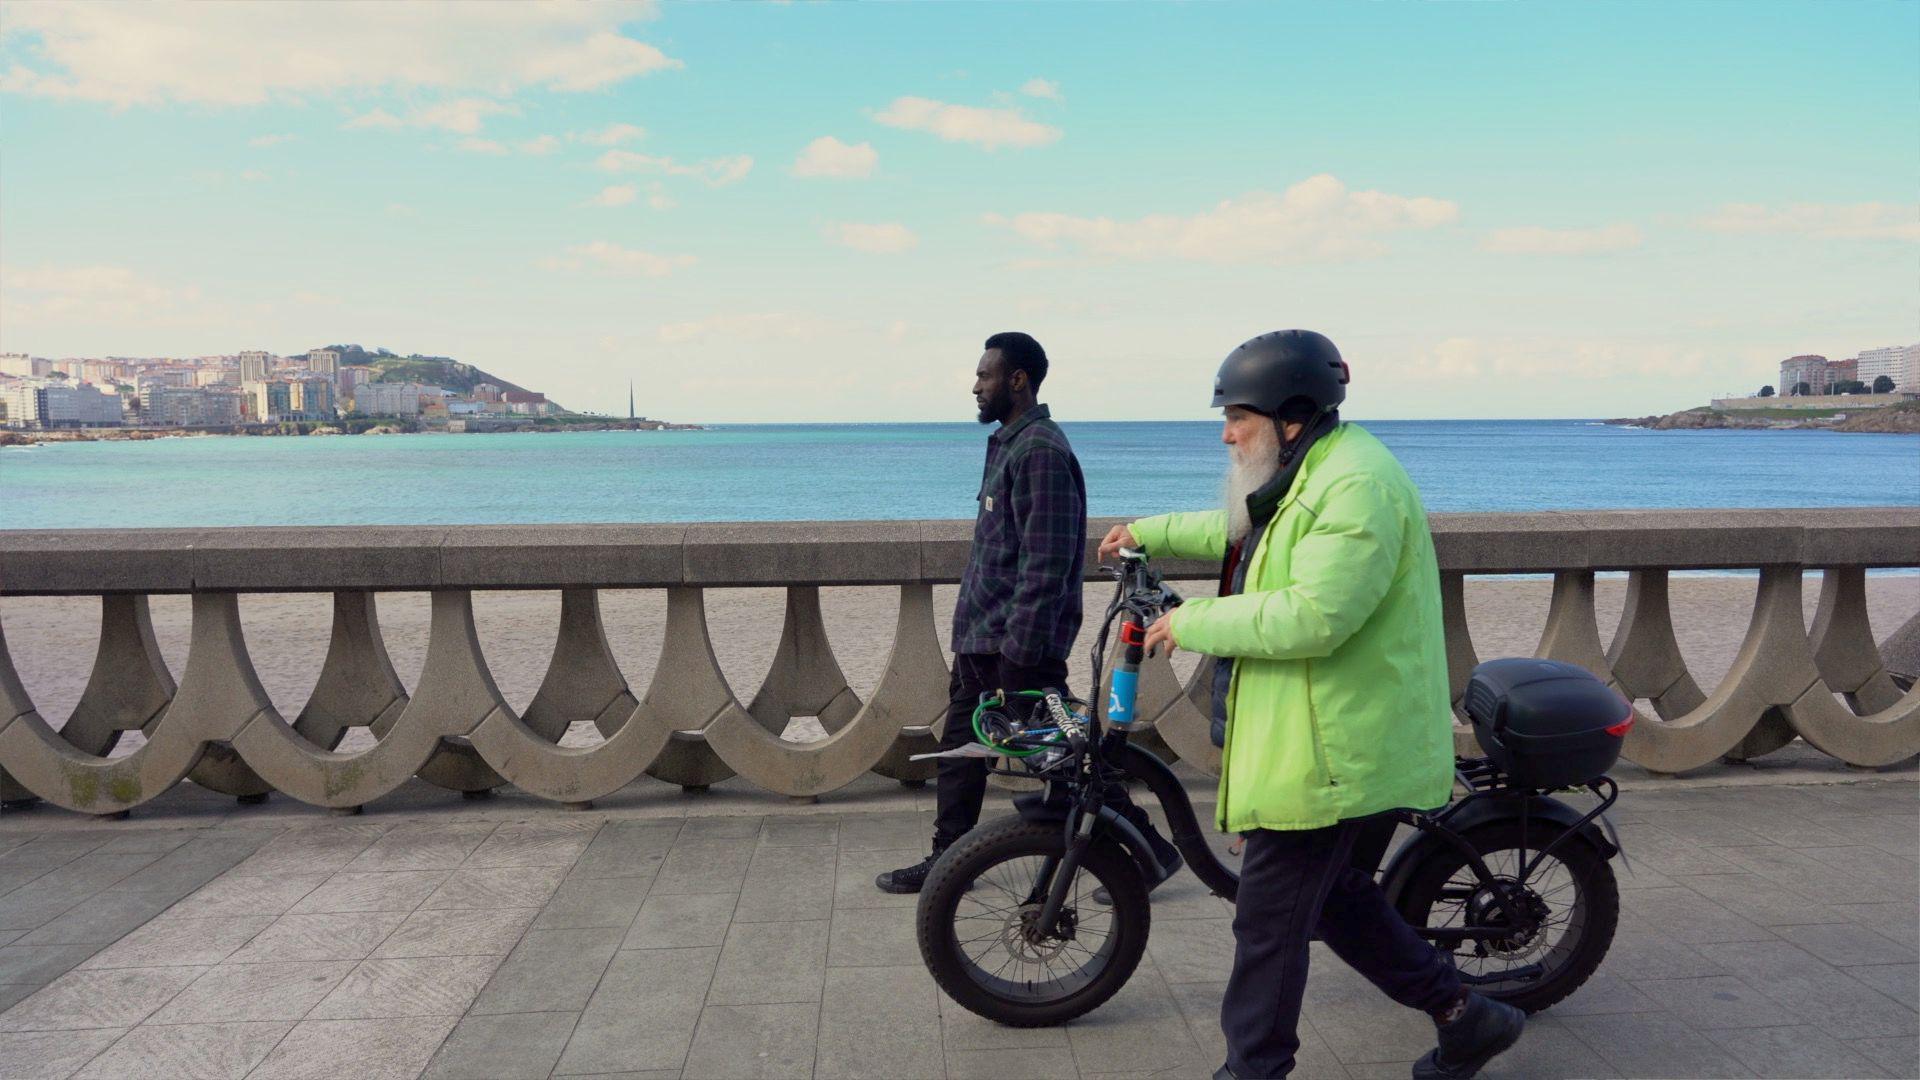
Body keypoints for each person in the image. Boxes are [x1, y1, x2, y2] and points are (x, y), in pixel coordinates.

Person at [1099, 330, 1525, 1080]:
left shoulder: (1357, 486)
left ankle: (1253, 1071)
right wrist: (1147, 531)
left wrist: (1190, 621)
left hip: (1339, 752)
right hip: (1315, 738)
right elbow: (1241, 533)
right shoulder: (1307, 472)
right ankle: (1469, 1016)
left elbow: (1315, 616)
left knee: (1268, 923)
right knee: (1332, 900)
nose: (1227, 433)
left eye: (1237, 416)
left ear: (1291, 416)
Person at [877, 331, 1181, 894]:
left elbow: (1046, 563)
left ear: (1017, 380)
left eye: (985, 375)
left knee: (1065, 759)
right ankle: (950, 861)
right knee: (964, 756)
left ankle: (1149, 849)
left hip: (1014, 648)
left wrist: (1020, 654)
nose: (975, 386)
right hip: (984, 642)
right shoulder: (1012, 443)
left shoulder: (1039, 452)